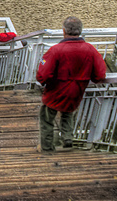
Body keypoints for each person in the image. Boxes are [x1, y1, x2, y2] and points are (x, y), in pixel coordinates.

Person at [36, 15, 107, 153]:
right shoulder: (90, 50)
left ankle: (46, 147)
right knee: (68, 112)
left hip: (55, 91)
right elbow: (100, 75)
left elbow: (42, 75)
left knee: (46, 118)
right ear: (80, 31)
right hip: (77, 91)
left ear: (64, 31)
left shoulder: (56, 50)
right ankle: (68, 139)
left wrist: (44, 82)